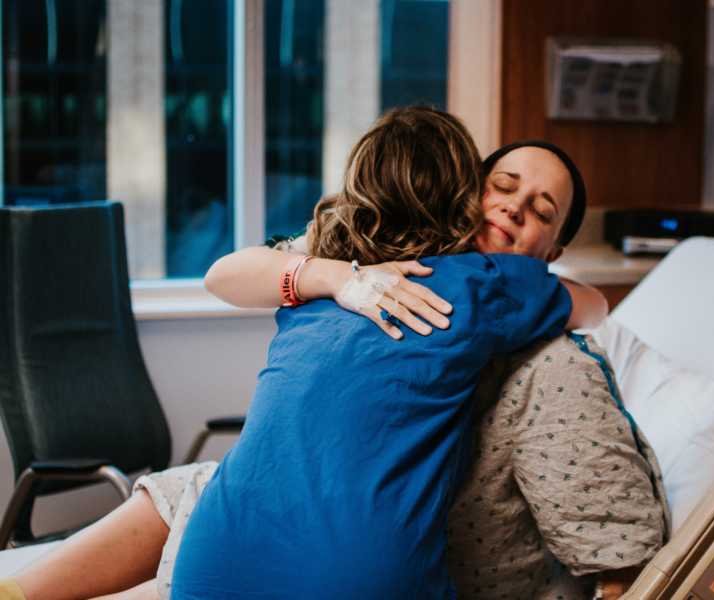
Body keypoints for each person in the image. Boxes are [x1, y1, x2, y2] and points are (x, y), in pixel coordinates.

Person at [0, 107, 606, 600]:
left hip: (221, 554)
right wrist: (335, 277)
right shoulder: (386, 263)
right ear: (462, 190)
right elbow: (223, 275)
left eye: (541, 210)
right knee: (198, 486)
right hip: (348, 561)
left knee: (197, 486)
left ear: (553, 249)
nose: (514, 206)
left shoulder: (432, 267)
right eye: (501, 186)